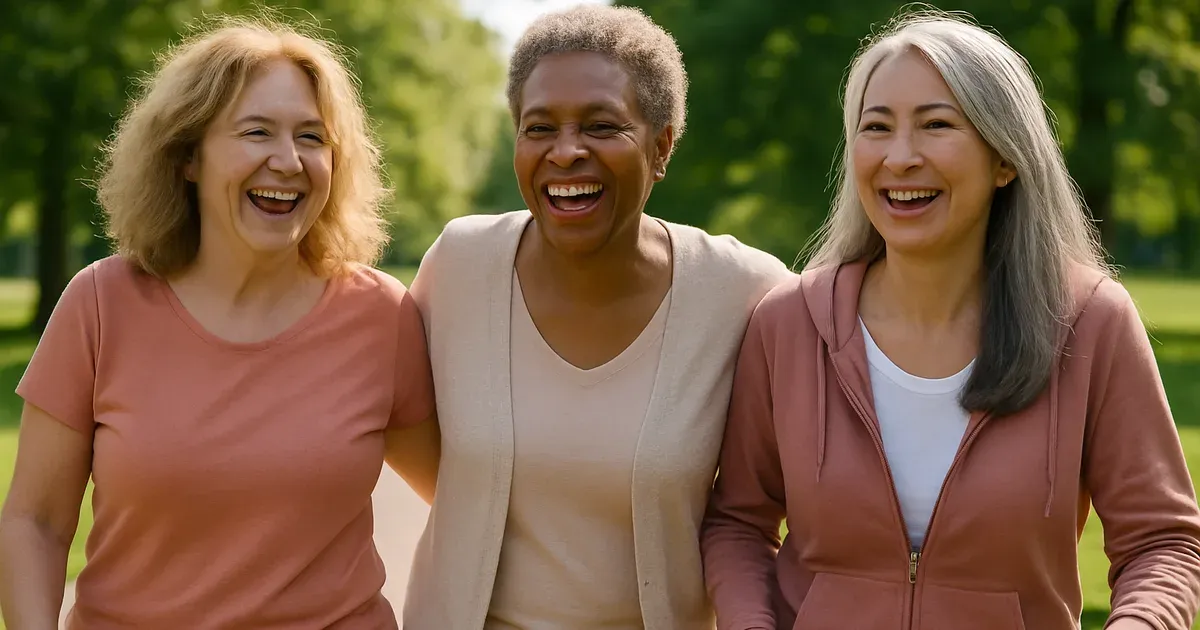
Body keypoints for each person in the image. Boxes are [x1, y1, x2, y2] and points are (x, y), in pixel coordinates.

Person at [701, 9, 1200, 630]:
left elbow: (1162, 542)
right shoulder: (788, 324)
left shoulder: (1090, 323)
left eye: (936, 125)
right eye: (876, 127)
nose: (900, 157)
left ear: (1005, 159)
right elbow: (738, 522)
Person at [0, 16, 439, 629]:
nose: (288, 161)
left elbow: (467, 496)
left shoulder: (381, 316)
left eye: (312, 137)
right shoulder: (100, 304)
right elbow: (36, 523)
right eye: (257, 132)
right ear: (189, 157)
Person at [399, 5, 792, 629]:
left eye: (601, 126)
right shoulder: (460, 265)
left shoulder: (747, 293)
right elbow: (412, 437)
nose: (566, 151)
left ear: (661, 146)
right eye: (539, 127)